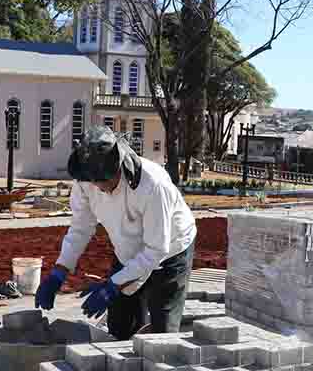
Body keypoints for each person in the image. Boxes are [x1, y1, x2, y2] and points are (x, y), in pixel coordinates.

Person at [34, 126, 197, 340]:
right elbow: (81, 227)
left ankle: (161, 347)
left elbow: (156, 249)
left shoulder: (152, 185)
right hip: (128, 250)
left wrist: (113, 285)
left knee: (162, 333)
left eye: (103, 180)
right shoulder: (86, 181)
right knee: (120, 325)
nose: (98, 187)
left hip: (171, 251)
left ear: (118, 165)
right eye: (93, 181)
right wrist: (59, 271)